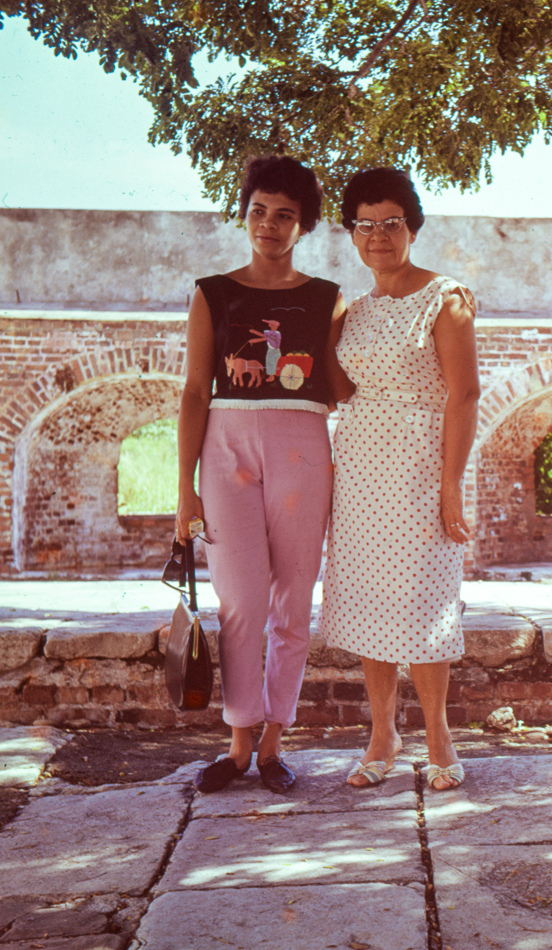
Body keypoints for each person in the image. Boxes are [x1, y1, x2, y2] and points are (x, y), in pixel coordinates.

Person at [176, 155, 347, 794]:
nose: (268, 225)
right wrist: (184, 487)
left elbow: (343, 386)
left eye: (284, 216)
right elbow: (195, 392)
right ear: (243, 213)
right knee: (241, 600)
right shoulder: (212, 292)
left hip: (302, 441)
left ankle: (274, 745)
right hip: (226, 448)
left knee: (293, 602)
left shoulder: (327, 300)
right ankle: (238, 741)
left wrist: (432, 302)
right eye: (258, 212)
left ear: (303, 225)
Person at [322, 167, 480, 791]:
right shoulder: (352, 310)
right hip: (360, 466)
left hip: (420, 465)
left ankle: (439, 735)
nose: (378, 235)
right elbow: (338, 390)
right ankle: (382, 733)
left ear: (412, 228)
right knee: (370, 600)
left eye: (391, 223)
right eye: (365, 225)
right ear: (352, 235)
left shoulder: (446, 298)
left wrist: (450, 485)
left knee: (425, 598)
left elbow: (464, 394)